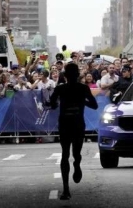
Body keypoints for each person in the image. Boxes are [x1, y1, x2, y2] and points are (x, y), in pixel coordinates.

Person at [48, 62, 98, 200]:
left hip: (65, 124)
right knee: (75, 153)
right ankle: (76, 165)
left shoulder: (60, 89)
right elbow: (94, 105)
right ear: (77, 75)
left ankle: (66, 189)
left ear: (65, 75)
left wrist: (56, 103)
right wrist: (83, 101)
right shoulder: (83, 88)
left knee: (65, 154)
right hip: (77, 124)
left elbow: (52, 105)